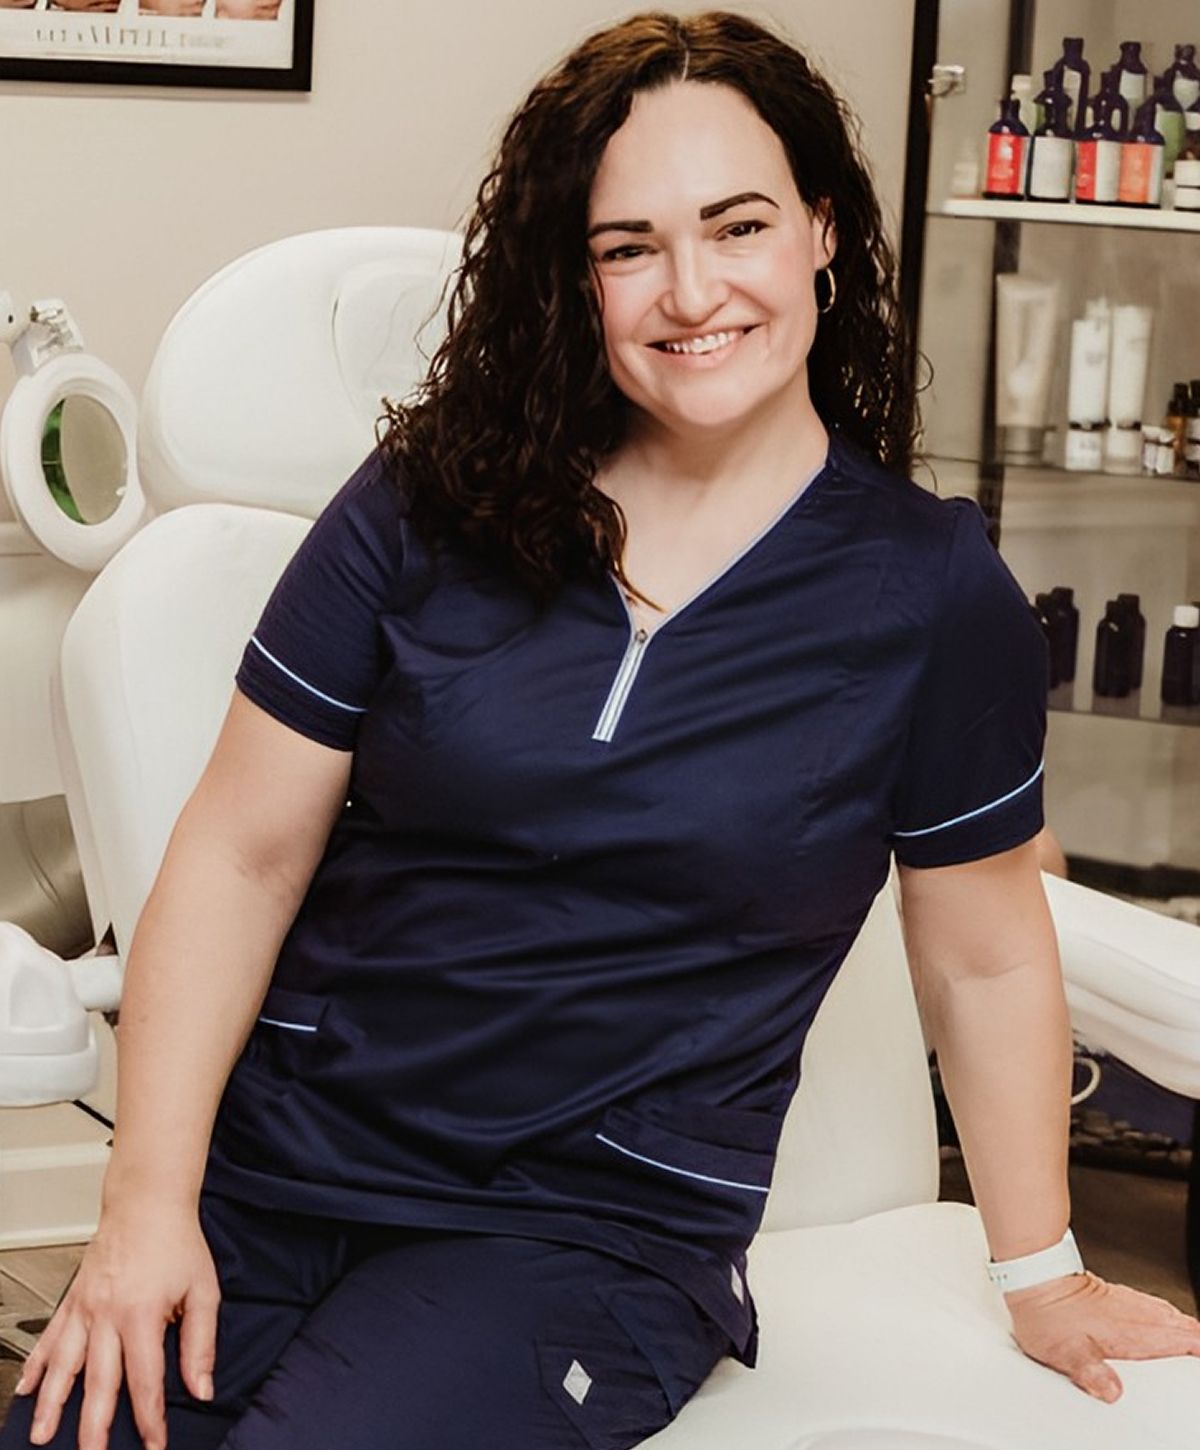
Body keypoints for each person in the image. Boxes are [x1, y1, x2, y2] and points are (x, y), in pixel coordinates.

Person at [7, 11, 1200, 1450]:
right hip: (285, 1169)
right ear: (577, 278)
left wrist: (1045, 1268)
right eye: (628, 244)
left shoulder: (929, 591)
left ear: (822, 231)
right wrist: (146, 1206)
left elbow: (988, 949)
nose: (690, 289)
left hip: (585, 1235)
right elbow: (240, 854)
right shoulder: (429, 500)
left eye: (739, 225)